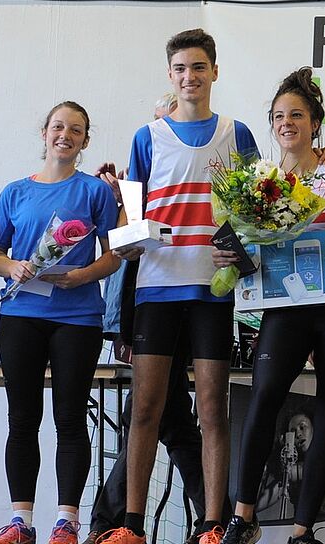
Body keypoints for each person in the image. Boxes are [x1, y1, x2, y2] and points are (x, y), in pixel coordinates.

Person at [101, 29, 260, 544]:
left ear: (215, 72)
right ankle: (131, 525)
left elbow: (255, 212)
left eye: (198, 67)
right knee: (146, 410)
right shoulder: (146, 137)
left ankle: (212, 525)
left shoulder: (238, 134)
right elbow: (131, 216)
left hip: (213, 292)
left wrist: (241, 248)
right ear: (170, 75)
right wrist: (126, 243)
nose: (189, 77)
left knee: (212, 411)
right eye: (180, 69)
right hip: (156, 289)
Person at [220, 67, 325, 544]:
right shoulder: (258, 183)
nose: (286, 123)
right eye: (278, 117)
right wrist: (231, 255)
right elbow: (248, 251)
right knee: (264, 399)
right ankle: (243, 517)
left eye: (296, 115)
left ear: (315, 122)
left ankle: (303, 530)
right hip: (285, 310)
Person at [0, 101, 122, 544]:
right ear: (44, 133)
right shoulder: (14, 192)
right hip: (21, 315)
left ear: (85, 140)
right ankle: (20, 522)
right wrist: (12, 267)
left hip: (77, 319)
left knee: (70, 419)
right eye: (58, 127)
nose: (66, 135)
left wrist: (82, 276)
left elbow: (114, 256)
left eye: (76, 130)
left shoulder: (95, 192)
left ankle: (67, 523)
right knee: (22, 419)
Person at [87, 92, 211, 544]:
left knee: (153, 416)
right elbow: (124, 258)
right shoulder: (136, 183)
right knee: (167, 420)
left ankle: (112, 521)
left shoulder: (197, 179)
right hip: (146, 316)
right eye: (162, 122)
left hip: (182, 306)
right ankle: (214, 516)